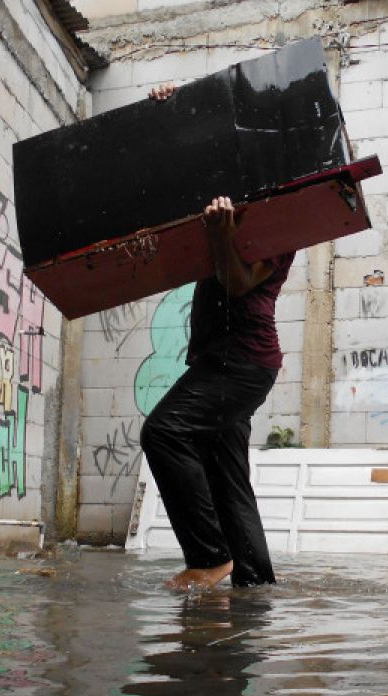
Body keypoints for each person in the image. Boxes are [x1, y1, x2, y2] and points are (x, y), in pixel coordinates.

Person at [139, 83, 294, 592]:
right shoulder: (236, 196)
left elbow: (236, 281)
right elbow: (205, 149)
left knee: (163, 432)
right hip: (227, 360)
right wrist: (176, 109)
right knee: (230, 479)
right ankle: (254, 583)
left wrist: (219, 234)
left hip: (242, 363)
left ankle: (209, 557)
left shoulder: (284, 220)